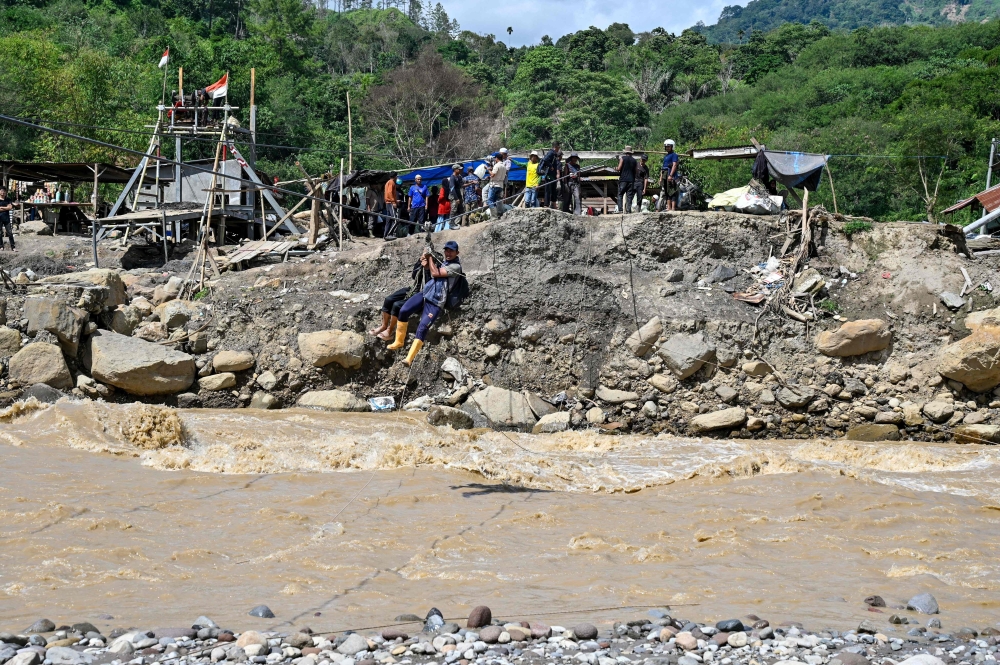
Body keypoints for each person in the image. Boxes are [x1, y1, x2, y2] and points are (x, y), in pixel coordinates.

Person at [387, 240, 464, 366]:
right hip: (426, 293)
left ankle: (409, 358)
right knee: (404, 310)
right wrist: (426, 262)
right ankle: (399, 341)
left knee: (422, 327)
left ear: (457, 252)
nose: (448, 253)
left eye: (451, 251)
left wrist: (430, 258)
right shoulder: (445, 262)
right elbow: (431, 271)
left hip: (436, 301)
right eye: (446, 250)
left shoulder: (456, 267)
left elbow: (435, 273)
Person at [370, 254, 432, 341]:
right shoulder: (422, 262)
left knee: (397, 305)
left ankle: (390, 330)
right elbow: (414, 276)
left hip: (423, 294)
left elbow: (429, 283)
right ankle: (383, 326)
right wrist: (419, 262)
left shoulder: (434, 267)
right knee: (388, 299)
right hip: (414, 288)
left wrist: (427, 269)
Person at [616, 145, 638, 214]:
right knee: (629, 196)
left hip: (623, 180)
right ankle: (628, 210)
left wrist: (615, 168)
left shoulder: (622, 158)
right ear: (631, 153)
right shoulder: (634, 161)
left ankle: (620, 210)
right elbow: (636, 171)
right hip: (631, 180)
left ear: (625, 152)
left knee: (620, 194)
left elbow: (619, 168)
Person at [660, 139, 680, 211]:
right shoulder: (666, 156)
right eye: (666, 147)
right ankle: (668, 207)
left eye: (668, 146)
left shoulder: (674, 155)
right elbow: (662, 168)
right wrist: (661, 178)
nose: (667, 148)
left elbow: (674, 165)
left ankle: (673, 208)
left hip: (670, 174)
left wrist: (670, 175)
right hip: (665, 173)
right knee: (667, 192)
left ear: (672, 147)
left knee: (672, 191)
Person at [540, 141, 561, 208]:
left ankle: (553, 204)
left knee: (553, 190)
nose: (559, 149)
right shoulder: (551, 152)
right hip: (549, 174)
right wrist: (550, 166)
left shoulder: (554, 153)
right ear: (556, 147)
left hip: (553, 175)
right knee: (548, 190)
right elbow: (545, 159)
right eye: (558, 147)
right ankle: (546, 204)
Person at [383, 173, 398, 239]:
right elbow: (389, 192)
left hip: (388, 203)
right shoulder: (392, 182)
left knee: (388, 220)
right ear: (395, 176)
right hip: (390, 203)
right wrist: (393, 201)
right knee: (395, 220)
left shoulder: (387, 182)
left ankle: (385, 235)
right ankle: (389, 234)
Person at [0, 187, 14, 251]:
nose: (3, 193)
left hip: (7, 218)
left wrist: (1, 208)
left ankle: (13, 246)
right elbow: (8, 207)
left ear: (6, 192)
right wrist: (6, 207)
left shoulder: (8, 199)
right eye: (1, 191)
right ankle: (1, 246)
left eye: (4, 191)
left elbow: (10, 207)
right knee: (0, 233)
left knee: (10, 233)